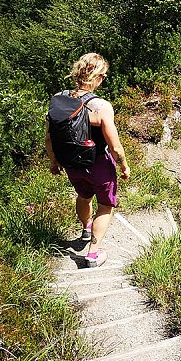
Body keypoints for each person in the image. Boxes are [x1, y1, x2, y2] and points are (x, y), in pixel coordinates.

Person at [45, 53, 130, 268]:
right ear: (99, 76)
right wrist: (124, 166)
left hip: (72, 164)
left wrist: (54, 162)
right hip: (99, 164)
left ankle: (86, 227)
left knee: (83, 197)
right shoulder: (101, 106)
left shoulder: (59, 98)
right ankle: (93, 253)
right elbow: (115, 146)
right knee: (105, 206)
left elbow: (49, 137)